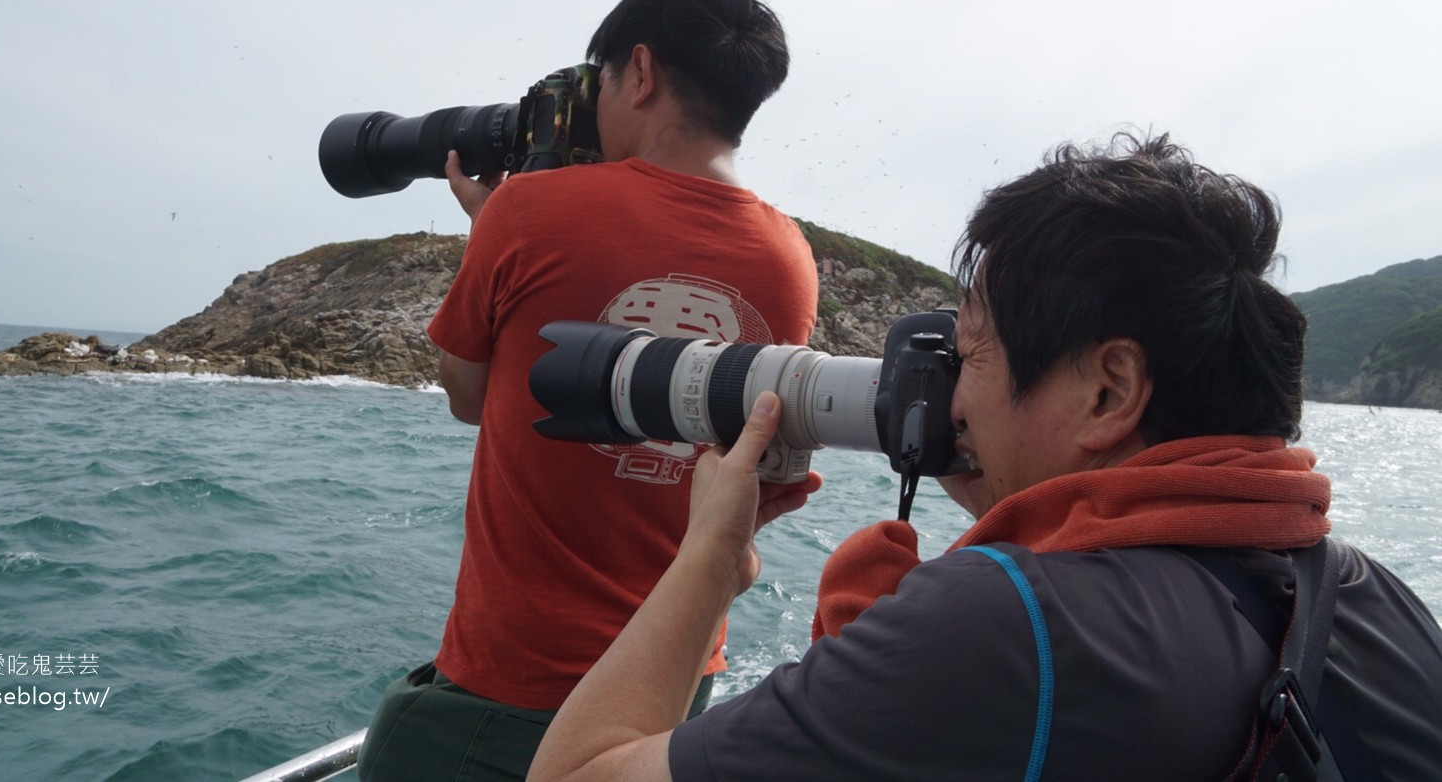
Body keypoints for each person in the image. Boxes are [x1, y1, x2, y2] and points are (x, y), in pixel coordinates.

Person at [526, 134, 1442, 781]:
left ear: (1109, 393)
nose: (953, 395)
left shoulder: (1016, 626)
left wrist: (709, 557)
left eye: (971, 355)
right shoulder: (1365, 593)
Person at [356, 0, 820, 780]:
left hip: (515, 681)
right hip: (673, 679)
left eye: (601, 78)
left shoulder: (530, 212)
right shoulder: (790, 260)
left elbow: (468, 397)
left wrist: (495, 226)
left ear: (638, 72)